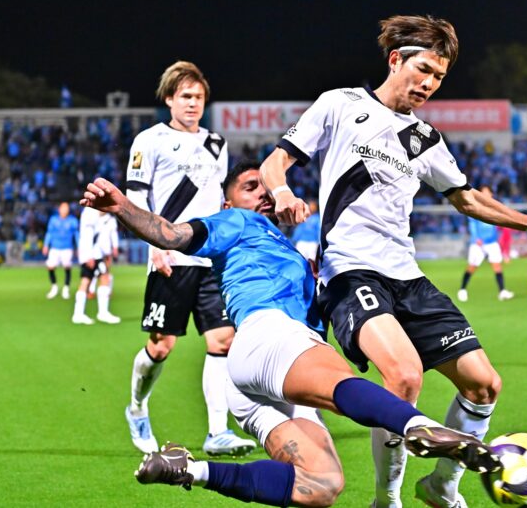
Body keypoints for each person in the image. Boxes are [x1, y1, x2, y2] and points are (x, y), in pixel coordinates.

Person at [260, 15, 527, 508]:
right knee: (404, 377)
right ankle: (386, 500)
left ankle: (440, 486)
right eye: (425, 70)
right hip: (350, 271)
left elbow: (469, 199)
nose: (430, 84)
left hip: (407, 276)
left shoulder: (425, 139)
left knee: (484, 385)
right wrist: (282, 192)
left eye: (439, 77)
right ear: (396, 60)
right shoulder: (341, 104)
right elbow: (275, 162)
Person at [80, 163, 500, 507]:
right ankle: (419, 428)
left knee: (320, 485)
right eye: (250, 188)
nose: (263, 193)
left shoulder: (292, 250)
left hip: (257, 380)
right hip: (270, 338)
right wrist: (122, 207)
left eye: (267, 187)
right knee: (342, 385)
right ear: (229, 202)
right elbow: (172, 234)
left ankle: (188, 469)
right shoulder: (236, 222)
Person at [123, 61, 254, 457]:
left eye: (199, 97)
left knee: (223, 340)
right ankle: (137, 406)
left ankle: (217, 434)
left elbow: (217, 201)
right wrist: (153, 244)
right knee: (161, 347)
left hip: (208, 257)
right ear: (169, 99)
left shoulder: (217, 143)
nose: (193, 103)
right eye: (186, 97)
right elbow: (135, 198)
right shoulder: (150, 140)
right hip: (169, 257)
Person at [457, 186, 514, 302]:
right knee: (472, 267)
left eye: (487, 192)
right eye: (483, 193)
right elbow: (472, 224)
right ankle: (462, 289)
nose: (485, 194)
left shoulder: (495, 208)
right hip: (478, 243)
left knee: (497, 266)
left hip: (492, 242)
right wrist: (476, 237)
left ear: (492, 194)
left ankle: (502, 291)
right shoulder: (475, 207)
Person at [72, 207, 120, 325]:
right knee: (93, 280)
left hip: (97, 254)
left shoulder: (105, 216)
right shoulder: (89, 214)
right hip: (91, 254)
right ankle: (98, 313)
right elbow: (87, 235)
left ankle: (82, 313)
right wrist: (88, 255)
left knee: (95, 279)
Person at [42, 201, 78, 300]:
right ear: (59, 209)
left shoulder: (72, 221)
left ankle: (66, 288)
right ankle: (54, 287)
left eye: (66, 208)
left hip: (67, 248)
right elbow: (49, 233)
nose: (64, 210)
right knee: (50, 267)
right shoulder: (53, 220)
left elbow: (76, 235)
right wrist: (46, 245)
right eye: (63, 208)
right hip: (55, 247)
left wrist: (78, 247)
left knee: (67, 267)